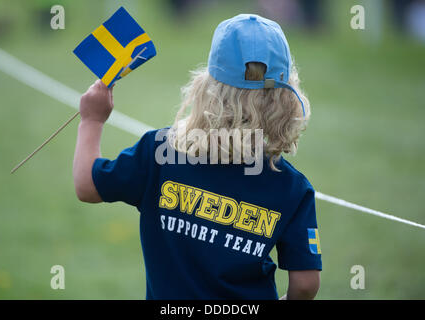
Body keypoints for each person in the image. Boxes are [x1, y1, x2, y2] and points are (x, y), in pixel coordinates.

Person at [73, 14, 322, 300]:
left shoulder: (161, 152)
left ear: (207, 88)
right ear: (286, 97)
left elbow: (86, 185)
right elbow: (305, 284)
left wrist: (91, 121)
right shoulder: (291, 185)